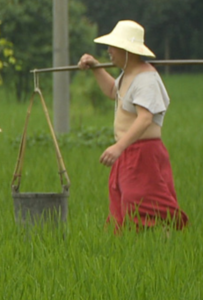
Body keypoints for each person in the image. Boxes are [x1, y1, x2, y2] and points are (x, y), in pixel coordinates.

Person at [78, 20, 188, 231]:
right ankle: (137, 248)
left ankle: (160, 244)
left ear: (127, 50)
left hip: (144, 152)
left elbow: (145, 118)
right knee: (125, 203)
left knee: (141, 203)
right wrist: (95, 66)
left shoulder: (146, 78)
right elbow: (113, 92)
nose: (109, 51)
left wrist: (118, 147)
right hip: (129, 151)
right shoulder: (127, 74)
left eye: (113, 47)